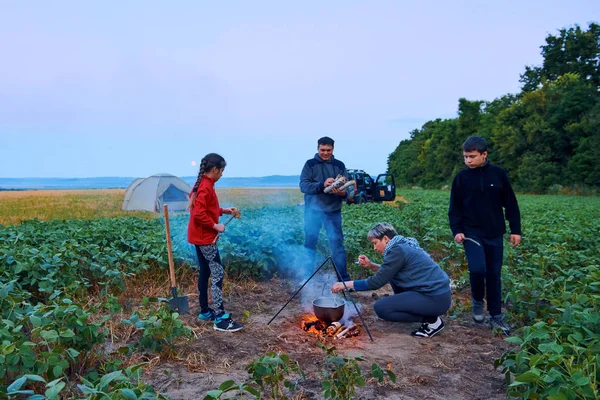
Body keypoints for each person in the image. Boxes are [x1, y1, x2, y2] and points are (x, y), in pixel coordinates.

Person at [448, 136, 521, 336]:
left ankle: (496, 316)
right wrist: (457, 230)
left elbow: (511, 204)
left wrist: (516, 230)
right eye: (465, 157)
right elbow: (454, 208)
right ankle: (478, 302)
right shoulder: (461, 178)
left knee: (494, 275)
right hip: (471, 233)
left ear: (484, 154)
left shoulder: (498, 174)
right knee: (477, 269)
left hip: (495, 233)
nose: (468, 161)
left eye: (472, 156)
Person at [331, 223, 452, 338]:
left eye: (375, 243)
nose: (374, 248)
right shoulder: (401, 245)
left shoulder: (397, 251)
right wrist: (371, 265)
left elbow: (375, 282)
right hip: (436, 294)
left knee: (382, 308)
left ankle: (432, 321)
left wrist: (344, 284)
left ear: (385, 239)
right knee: (393, 279)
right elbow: (389, 271)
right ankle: (413, 308)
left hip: (435, 297)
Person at [188, 153, 243, 332]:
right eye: (221, 171)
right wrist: (215, 226)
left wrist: (225, 211)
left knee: (205, 271)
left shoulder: (204, 184)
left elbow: (208, 209)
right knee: (218, 272)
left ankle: (205, 311)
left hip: (199, 236)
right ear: (214, 169)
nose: (222, 174)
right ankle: (220, 317)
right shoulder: (205, 187)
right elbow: (198, 214)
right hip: (206, 238)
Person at [300, 136, 351, 281]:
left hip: (333, 211)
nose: (325, 153)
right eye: (322, 150)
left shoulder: (340, 165)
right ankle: (306, 278)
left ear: (333, 149)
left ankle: (344, 281)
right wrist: (323, 184)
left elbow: (347, 192)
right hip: (313, 211)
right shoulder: (310, 164)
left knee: (337, 246)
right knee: (310, 243)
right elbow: (303, 186)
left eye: (328, 150)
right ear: (317, 149)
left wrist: (342, 192)